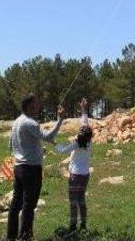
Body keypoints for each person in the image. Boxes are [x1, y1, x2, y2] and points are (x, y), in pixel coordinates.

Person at [7, 94, 65, 241]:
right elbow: (48, 136)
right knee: (28, 205)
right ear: (29, 106)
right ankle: (25, 237)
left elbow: (11, 145)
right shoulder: (30, 123)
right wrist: (60, 120)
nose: (38, 106)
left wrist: (37, 149)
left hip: (18, 167)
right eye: (36, 104)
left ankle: (11, 236)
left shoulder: (16, 122)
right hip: (31, 170)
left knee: (16, 203)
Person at [55, 99, 93, 234]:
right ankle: (83, 223)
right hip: (85, 175)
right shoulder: (88, 141)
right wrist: (83, 110)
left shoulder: (77, 144)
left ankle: (72, 226)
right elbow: (85, 124)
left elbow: (62, 150)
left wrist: (53, 142)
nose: (81, 128)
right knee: (81, 199)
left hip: (75, 175)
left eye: (80, 130)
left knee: (73, 202)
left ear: (80, 135)